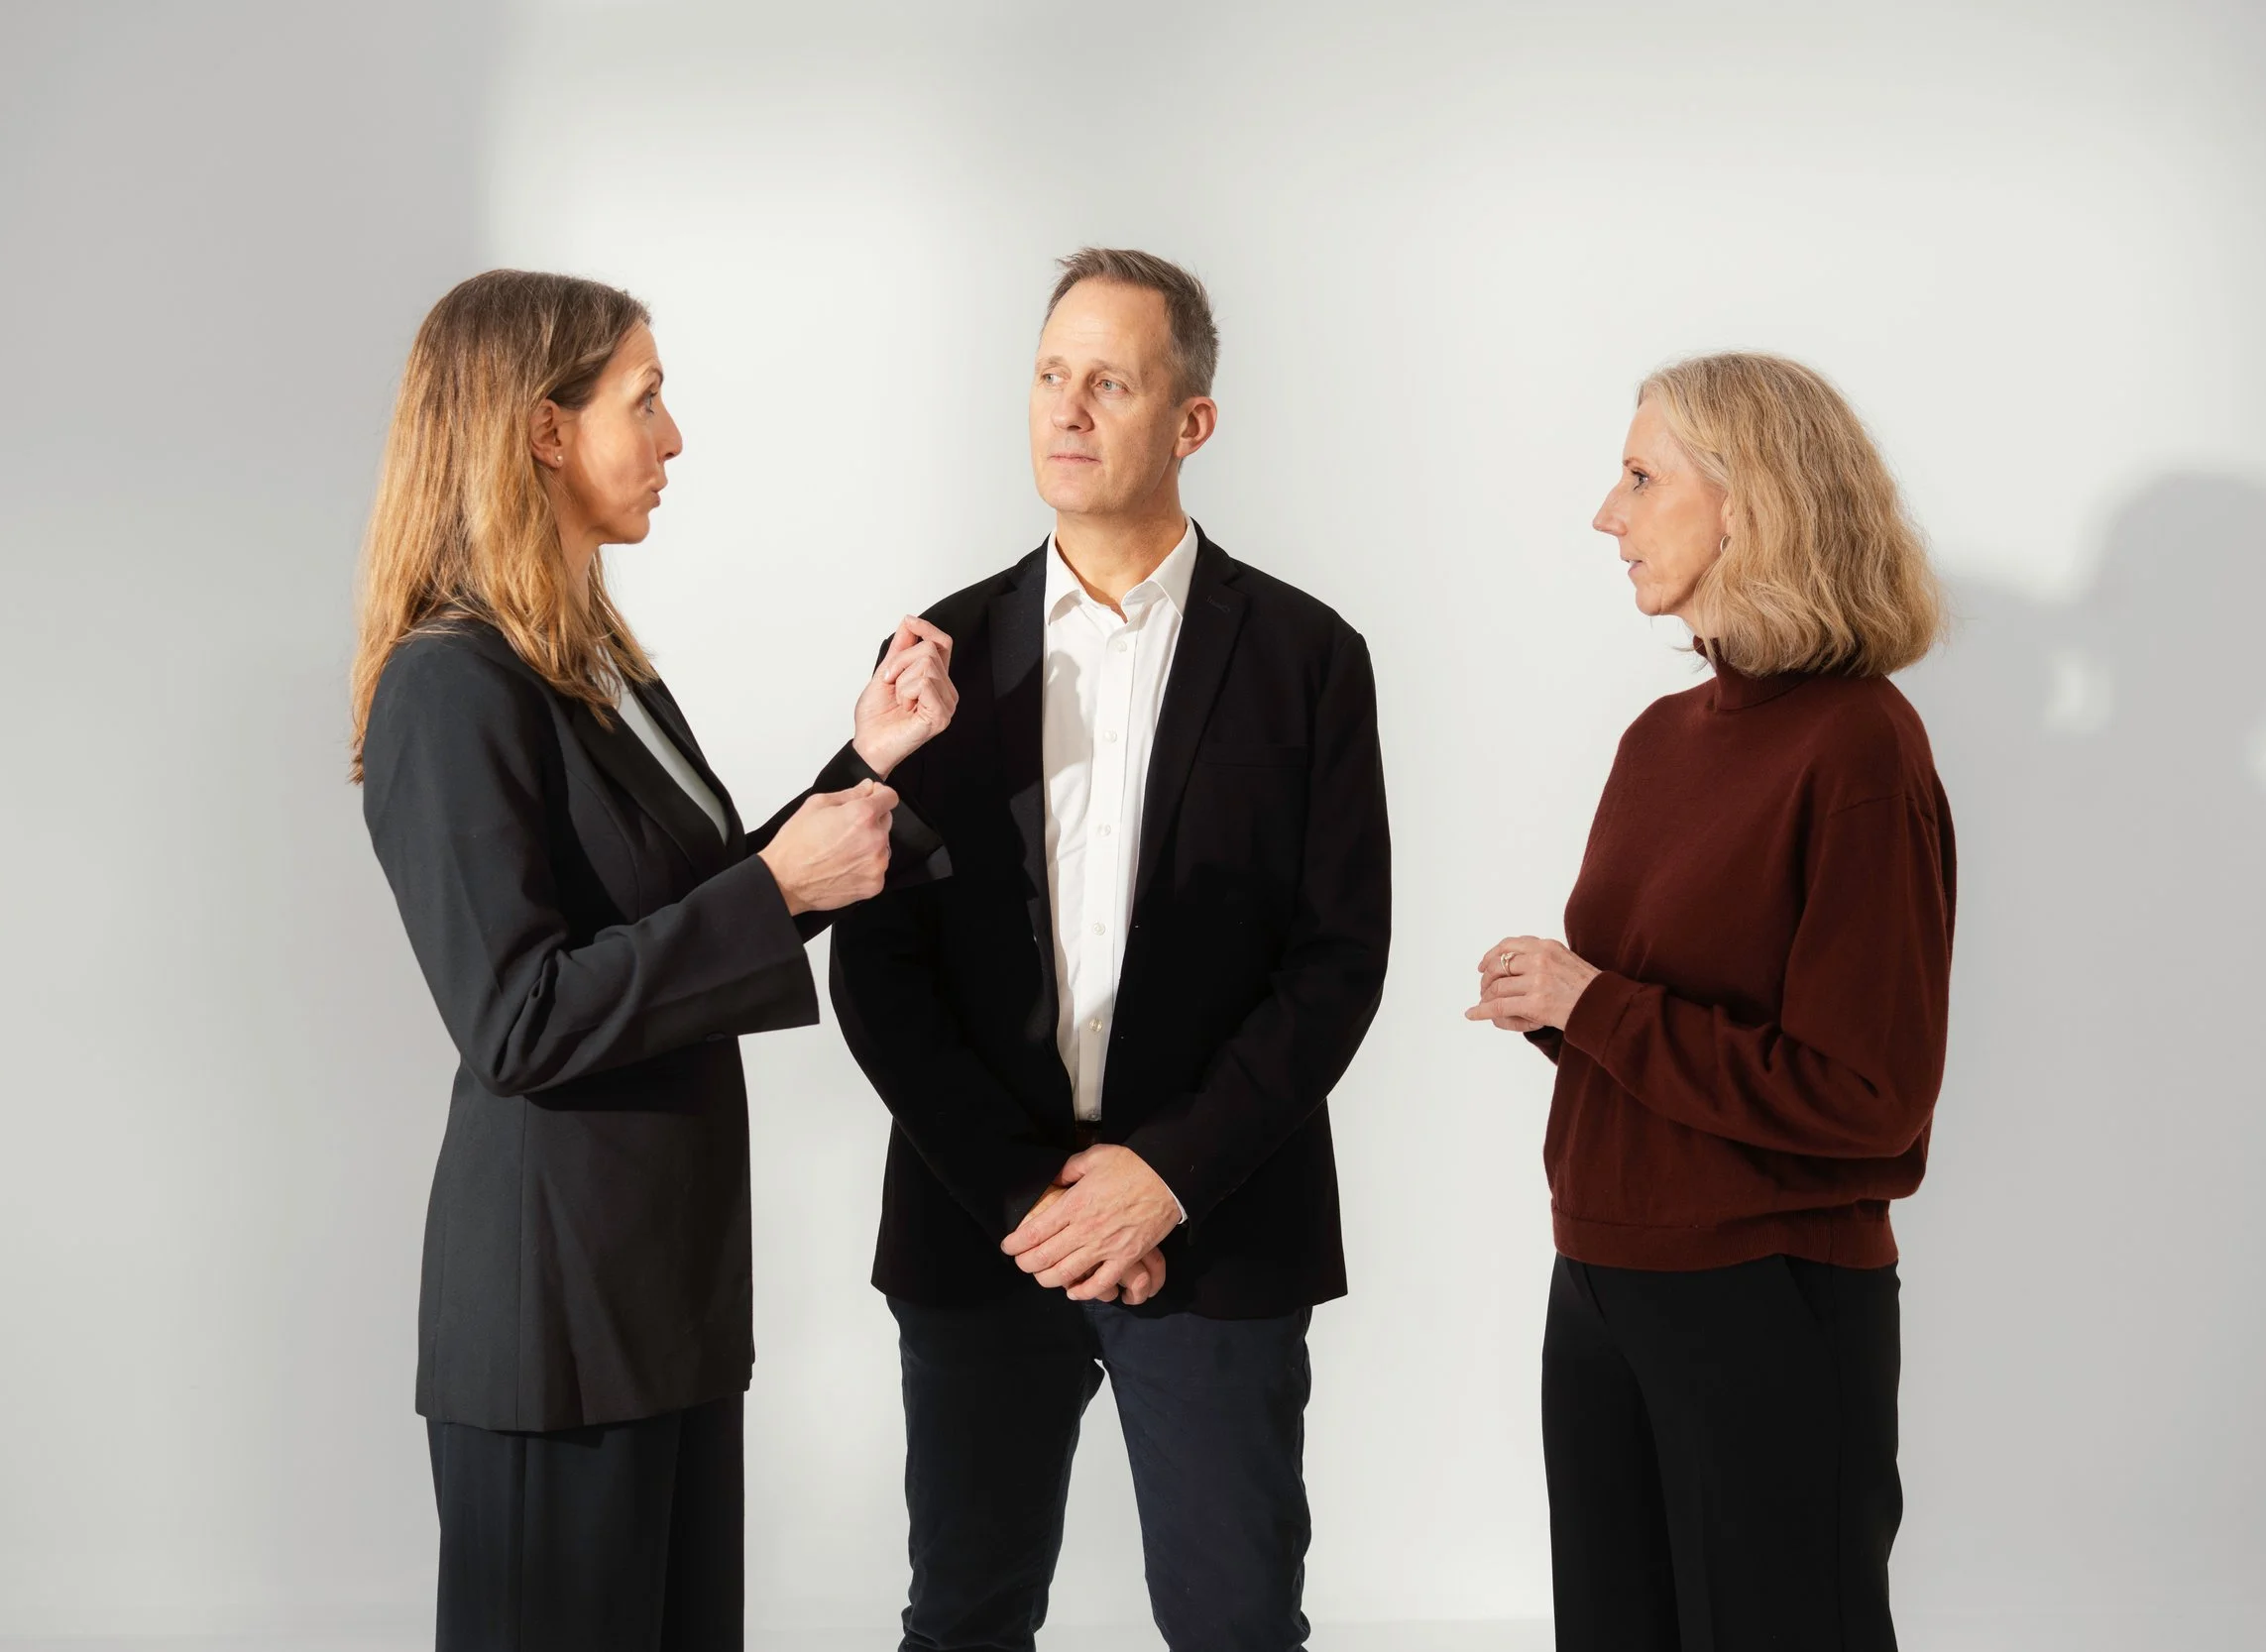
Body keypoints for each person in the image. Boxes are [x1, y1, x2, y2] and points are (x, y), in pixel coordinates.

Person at [350, 269, 958, 1652]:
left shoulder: (588, 664)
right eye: (646, 395)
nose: (674, 435)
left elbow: (688, 913)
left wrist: (862, 762)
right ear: (543, 431)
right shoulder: (452, 684)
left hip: (662, 1310)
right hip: (555, 1334)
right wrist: (775, 886)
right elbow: (516, 1018)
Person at [829, 248, 1392, 1652]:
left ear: (1190, 422)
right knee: (963, 1617)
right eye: (1048, 375)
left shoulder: (1310, 656)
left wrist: (1162, 1180)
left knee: (1236, 1622)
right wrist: (1038, 1200)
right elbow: (877, 970)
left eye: (1110, 381)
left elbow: (1337, 963)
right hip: (983, 1223)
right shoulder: (936, 652)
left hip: (1216, 1225)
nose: (1067, 409)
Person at [1468, 352, 1954, 1651]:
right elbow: (1657, 1023)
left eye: (1640, 476)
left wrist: (1602, 1006)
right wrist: (1560, 1010)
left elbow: (1869, 1102)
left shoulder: (1860, 745)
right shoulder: (1660, 740)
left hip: (1769, 1302)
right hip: (1602, 1282)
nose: (1605, 514)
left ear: (1749, 502)